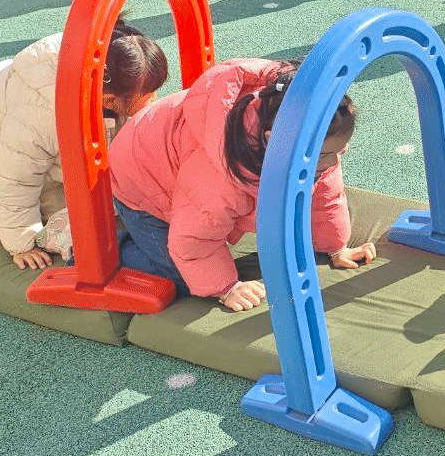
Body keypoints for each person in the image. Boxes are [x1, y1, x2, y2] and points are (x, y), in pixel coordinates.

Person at [107, 58, 373, 312]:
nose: (334, 161)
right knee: (183, 277)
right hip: (138, 182)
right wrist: (226, 288)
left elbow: (325, 196)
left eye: (341, 150)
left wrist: (335, 247)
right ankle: (113, 247)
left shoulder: (306, 140)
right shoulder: (220, 176)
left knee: (215, 224)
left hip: (168, 154)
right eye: (326, 155)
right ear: (273, 140)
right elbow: (193, 239)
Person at [0, 21, 168, 269]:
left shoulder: (110, 59)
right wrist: (21, 244)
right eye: (147, 96)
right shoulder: (41, 114)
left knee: (91, 196)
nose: (153, 99)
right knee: (4, 218)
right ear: (109, 100)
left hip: (6, 114)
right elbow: (14, 181)